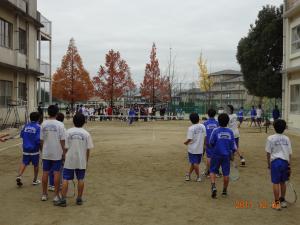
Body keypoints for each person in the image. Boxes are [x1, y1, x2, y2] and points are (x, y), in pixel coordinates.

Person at [55, 113, 93, 207]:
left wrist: (64, 156)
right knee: (81, 178)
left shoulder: (68, 132)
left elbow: (66, 147)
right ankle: (79, 199)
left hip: (69, 159)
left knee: (66, 179)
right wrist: (86, 161)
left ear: (73, 121)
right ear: (84, 122)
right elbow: (88, 150)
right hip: (81, 160)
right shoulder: (86, 134)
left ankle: (63, 200)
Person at [40, 105, 66, 202]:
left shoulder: (43, 124)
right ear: (57, 113)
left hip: (46, 152)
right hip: (57, 152)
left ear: (48, 112)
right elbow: (62, 140)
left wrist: (43, 151)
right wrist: (64, 152)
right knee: (56, 173)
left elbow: (41, 140)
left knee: (45, 172)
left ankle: (44, 194)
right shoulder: (60, 125)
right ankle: (56, 195)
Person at [266, 119, 292, 211]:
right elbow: (289, 154)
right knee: (283, 182)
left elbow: (268, 153)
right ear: (284, 128)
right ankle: (283, 201)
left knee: (275, 182)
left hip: (275, 162)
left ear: (274, 127)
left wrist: (269, 164)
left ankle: (277, 203)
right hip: (285, 162)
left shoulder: (270, 138)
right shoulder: (287, 138)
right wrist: (289, 166)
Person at [209, 113, 236, 198]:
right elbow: (233, 146)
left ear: (218, 121)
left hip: (216, 154)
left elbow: (211, 142)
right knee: (226, 174)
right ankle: (224, 191)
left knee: (212, 171)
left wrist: (215, 148)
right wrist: (231, 154)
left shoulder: (215, 131)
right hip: (226, 156)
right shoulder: (230, 132)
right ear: (227, 121)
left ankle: (213, 186)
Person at [16, 112, 41, 187]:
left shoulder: (26, 126)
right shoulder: (38, 127)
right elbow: (38, 139)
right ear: (38, 118)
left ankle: (19, 176)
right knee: (36, 164)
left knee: (24, 162)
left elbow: (22, 135)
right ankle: (35, 180)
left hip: (26, 148)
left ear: (30, 118)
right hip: (34, 149)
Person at [184, 113, 206, 182]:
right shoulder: (203, 126)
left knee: (195, 163)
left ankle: (198, 177)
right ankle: (188, 174)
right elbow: (205, 136)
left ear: (191, 120)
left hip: (192, 149)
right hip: (200, 148)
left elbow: (189, 139)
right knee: (195, 163)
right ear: (198, 118)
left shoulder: (191, 128)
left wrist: (186, 143)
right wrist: (204, 145)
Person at [48, 112, 65, 192]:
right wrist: (64, 153)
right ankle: (59, 184)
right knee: (58, 169)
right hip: (58, 151)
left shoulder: (47, 125)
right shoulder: (62, 127)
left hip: (49, 150)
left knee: (50, 168)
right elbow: (64, 141)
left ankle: (51, 184)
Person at [203, 109, 219, 178]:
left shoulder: (205, 123)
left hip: (208, 142)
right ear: (215, 114)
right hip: (216, 142)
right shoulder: (217, 123)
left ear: (208, 114)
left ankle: (210, 172)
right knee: (215, 157)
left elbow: (204, 134)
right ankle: (214, 171)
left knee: (209, 157)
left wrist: (204, 143)